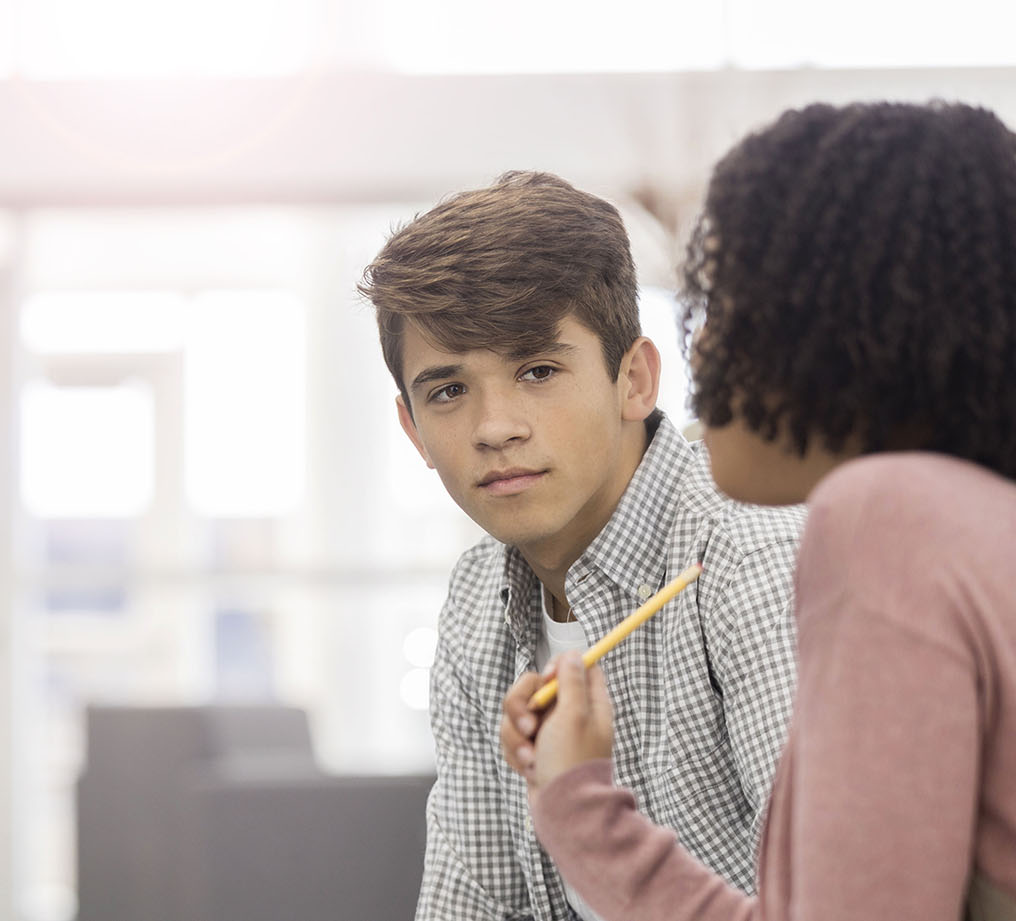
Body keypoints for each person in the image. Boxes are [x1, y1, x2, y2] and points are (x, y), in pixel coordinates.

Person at [504, 100, 1016, 921]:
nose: (700, 348)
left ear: (842, 326)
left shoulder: (887, 521)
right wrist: (575, 793)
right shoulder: (979, 525)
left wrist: (580, 806)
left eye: (726, 303)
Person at [359, 171, 806, 920]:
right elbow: (471, 903)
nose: (495, 426)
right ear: (414, 431)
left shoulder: (749, 561)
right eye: (447, 390)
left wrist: (578, 805)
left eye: (538, 370)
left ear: (634, 380)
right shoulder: (477, 602)